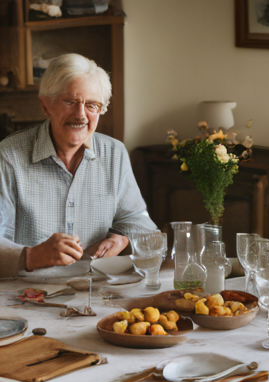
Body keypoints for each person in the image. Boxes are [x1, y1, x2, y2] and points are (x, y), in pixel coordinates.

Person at [0, 53, 156, 277]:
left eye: (92, 105)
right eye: (70, 102)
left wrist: (121, 238)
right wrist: (32, 256)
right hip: (26, 292)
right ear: (46, 106)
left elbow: (140, 222)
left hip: (96, 287)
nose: (81, 115)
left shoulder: (115, 153)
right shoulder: (9, 155)